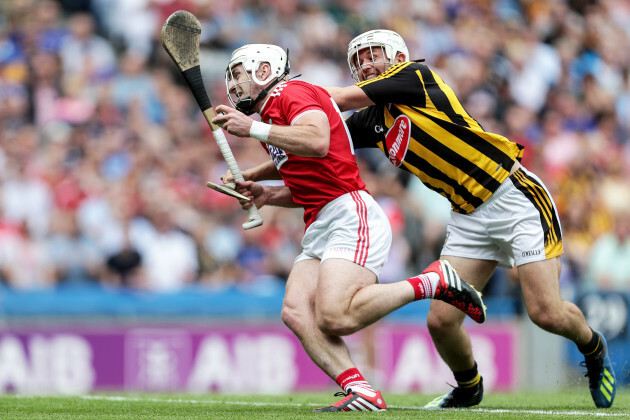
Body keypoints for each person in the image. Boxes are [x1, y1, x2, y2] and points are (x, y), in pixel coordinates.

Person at [225, 31, 617, 409]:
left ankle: (591, 345)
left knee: (545, 312)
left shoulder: (418, 77)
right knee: (441, 322)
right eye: (358, 62)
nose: (365, 65)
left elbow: (331, 102)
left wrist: (282, 93)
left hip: (513, 196)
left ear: (398, 58)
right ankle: (468, 388)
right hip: (467, 214)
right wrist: (255, 175)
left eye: (372, 55)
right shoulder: (372, 120)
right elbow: (315, 144)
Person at [211, 43, 486, 412]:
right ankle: (362, 391)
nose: (235, 84)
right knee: (295, 311)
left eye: (240, 73)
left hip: (349, 214)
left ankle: (433, 282)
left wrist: (254, 129)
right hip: (321, 220)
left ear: (264, 70)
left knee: (335, 316)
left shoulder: (291, 92)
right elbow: (307, 182)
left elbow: (317, 140)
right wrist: (264, 193)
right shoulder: (271, 114)